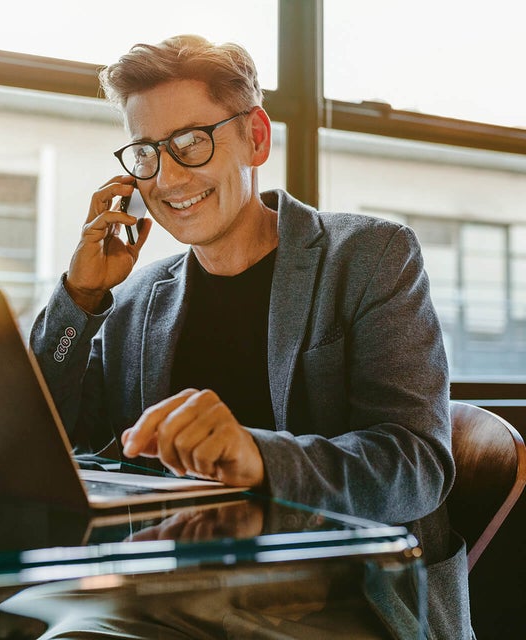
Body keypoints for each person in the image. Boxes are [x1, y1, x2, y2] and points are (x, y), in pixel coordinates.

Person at [30, 34, 472, 637]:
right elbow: (55, 446)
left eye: (191, 142)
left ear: (256, 138)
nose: (167, 177)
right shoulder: (135, 300)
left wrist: (258, 457)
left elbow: (415, 466)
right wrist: (80, 301)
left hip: (347, 594)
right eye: (146, 153)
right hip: (178, 590)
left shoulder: (370, 256)